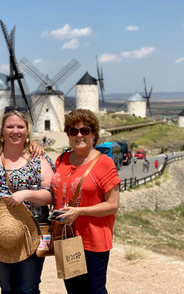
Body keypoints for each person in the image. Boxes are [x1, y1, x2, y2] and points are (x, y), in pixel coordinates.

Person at [0, 107, 55, 294]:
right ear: (2, 130)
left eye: (20, 126)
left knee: (28, 288)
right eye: (10, 126)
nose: (15, 131)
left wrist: (27, 194)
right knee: (7, 288)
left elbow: (51, 194)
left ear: (27, 131)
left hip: (32, 234)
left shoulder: (38, 160)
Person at [51, 109, 120, 294]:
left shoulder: (104, 163)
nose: (79, 135)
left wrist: (80, 211)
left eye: (85, 130)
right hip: (66, 237)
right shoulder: (62, 159)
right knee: (73, 291)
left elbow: (113, 205)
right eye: (73, 131)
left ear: (94, 134)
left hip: (93, 240)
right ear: (68, 134)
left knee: (94, 291)